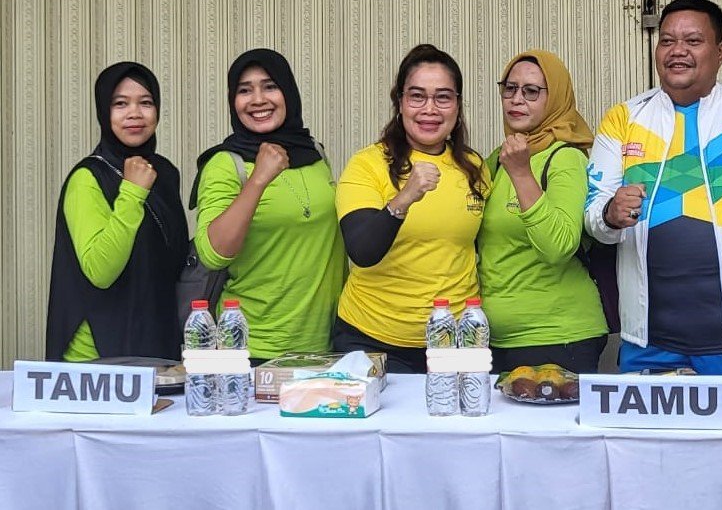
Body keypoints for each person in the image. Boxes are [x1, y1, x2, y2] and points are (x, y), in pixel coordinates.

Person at [584, 0, 722, 375]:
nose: (678, 51)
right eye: (667, 41)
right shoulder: (623, 118)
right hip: (647, 341)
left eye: (693, 41)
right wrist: (609, 214)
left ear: (720, 52)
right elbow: (594, 218)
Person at [333, 44, 488, 373]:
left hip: (455, 342)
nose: (430, 109)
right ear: (400, 102)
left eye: (443, 97)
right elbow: (362, 250)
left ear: (458, 105)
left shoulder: (474, 167)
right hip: (373, 339)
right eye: (417, 96)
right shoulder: (367, 164)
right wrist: (404, 198)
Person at [192, 48, 346, 362]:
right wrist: (259, 179)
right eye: (244, 90)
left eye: (270, 86)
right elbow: (212, 253)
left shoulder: (314, 153)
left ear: (288, 92)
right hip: (253, 347)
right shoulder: (226, 164)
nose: (258, 99)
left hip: (325, 344)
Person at [46, 62, 188, 361]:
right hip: (98, 354)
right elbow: (100, 271)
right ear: (103, 112)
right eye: (120, 104)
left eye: (145, 102)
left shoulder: (164, 173)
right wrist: (132, 193)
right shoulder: (87, 178)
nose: (135, 113)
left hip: (155, 341)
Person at [477, 50, 608, 373]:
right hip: (495, 342)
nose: (517, 99)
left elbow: (558, 246)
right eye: (510, 88)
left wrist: (522, 174)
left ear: (555, 99)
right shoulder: (498, 159)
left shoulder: (565, 157)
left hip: (558, 337)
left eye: (532, 91)